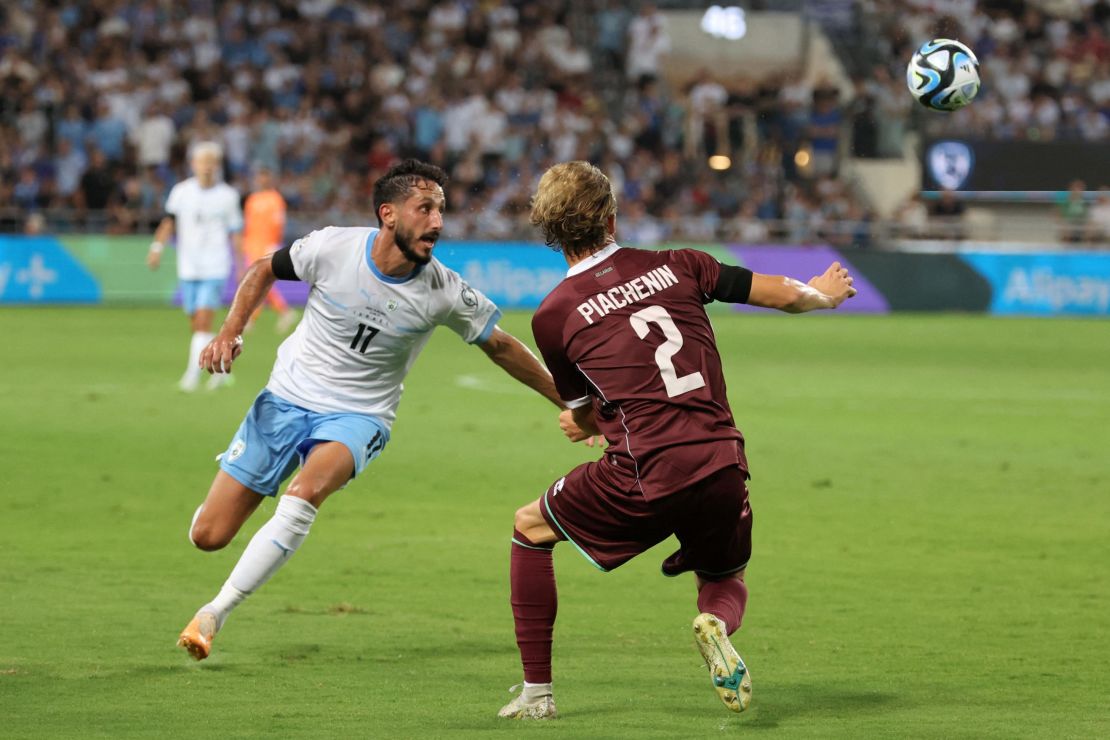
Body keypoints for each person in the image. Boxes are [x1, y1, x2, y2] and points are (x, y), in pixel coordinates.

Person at [498, 161, 856, 720]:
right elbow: (782, 295)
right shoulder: (681, 264)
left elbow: (586, 411)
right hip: (720, 461)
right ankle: (715, 624)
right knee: (723, 576)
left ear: (549, 234)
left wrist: (584, 424)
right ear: (612, 218)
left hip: (644, 472)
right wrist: (824, 295)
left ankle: (537, 695)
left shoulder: (553, 316)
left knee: (530, 527)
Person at [176, 160, 568, 662]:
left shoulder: (444, 289)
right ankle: (225, 500)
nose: (437, 222)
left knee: (306, 491)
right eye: (424, 208)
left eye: (441, 210)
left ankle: (215, 612)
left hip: (361, 415)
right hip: (286, 397)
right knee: (209, 536)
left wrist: (569, 401)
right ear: (389, 214)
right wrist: (229, 332)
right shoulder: (332, 247)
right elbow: (261, 270)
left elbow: (502, 346)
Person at [148, 142, 244, 392]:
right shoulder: (181, 192)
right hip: (188, 266)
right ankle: (221, 369)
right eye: (202, 162)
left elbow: (235, 233)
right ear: (193, 165)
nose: (206, 167)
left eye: (211, 162)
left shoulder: (228, 196)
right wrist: (156, 248)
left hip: (215, 265)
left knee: (202, 322)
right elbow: (169, 222)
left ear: (217, 166)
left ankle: (192, 376)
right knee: (197, 325)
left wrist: (241, 264)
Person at [241, 165, 298, 332]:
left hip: (266, 244)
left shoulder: (275, 199)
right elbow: (248, 223)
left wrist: (274, 244)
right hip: (251, 243)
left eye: (264, 176)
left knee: (259, 279)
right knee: (256, 280)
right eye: (259, 177)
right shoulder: (252, 199)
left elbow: (278, 223)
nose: (261, 180)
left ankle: (253, 317)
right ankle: (282, 311)